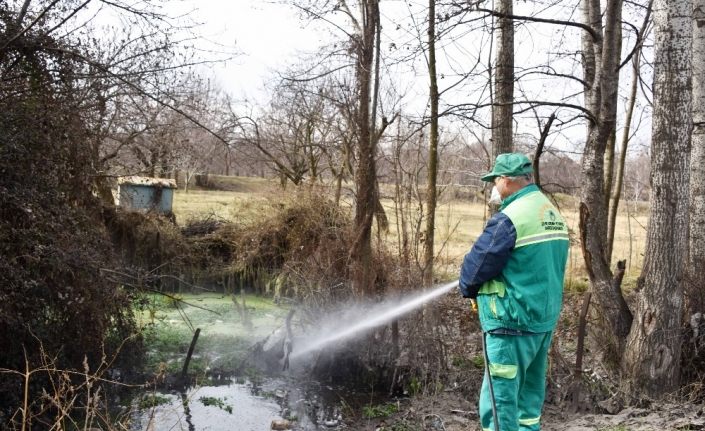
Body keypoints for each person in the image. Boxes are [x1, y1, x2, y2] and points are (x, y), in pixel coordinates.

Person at [459, 153, 569, 431]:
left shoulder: (510, 218)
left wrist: (467, 288)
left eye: (495, 179)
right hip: (540, 323)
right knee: (528, 404)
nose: (494, 186)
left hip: (510, 323)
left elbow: (475, 269)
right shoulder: (550, 212)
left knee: (501, 404)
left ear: (507, 180)